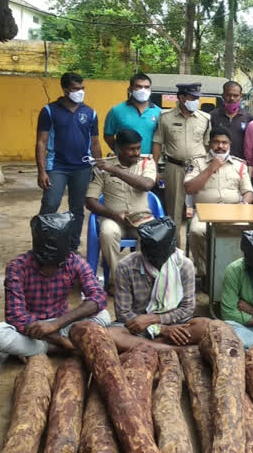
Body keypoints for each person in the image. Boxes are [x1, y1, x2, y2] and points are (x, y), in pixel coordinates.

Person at [0, 213, 110, 358]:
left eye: (56, 265)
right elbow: (15, 316)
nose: (49, 271)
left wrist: (56, 324)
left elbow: (98, 297)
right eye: (44, 265)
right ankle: (62, 347)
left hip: (62, 324)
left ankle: (39, 350)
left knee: (104, 316)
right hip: (31, 328)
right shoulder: (17, 267)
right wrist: (60, 340)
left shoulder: (75, 262)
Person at [108, 217, 209, 351]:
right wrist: (161, 329)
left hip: (176, 325)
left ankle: (149, 347)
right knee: (111, 334)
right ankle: (175, 349)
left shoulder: (185, 265)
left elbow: (187, 308)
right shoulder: (125, 266)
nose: (157, 261)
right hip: (138, 329)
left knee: (206, 326)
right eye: (153, 257)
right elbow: (123, 313)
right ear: (143, 250)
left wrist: (156, 320)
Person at [36, 72, 102, 251]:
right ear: (65, 90)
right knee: (50, 204)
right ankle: (44, 245)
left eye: (82, 88)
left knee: (77, 208)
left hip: (82, 167)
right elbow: (41, 142)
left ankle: (72, 247)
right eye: (75, 89)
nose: (80, 92)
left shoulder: (90, 113)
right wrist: (42, 171)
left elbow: (95, 142)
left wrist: (99, 166)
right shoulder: (49, 111)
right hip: (56, 166)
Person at [85, 129, 156, 293]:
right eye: (131, 149)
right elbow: (90, 201)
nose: (136, 153)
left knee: (150, 234)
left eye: (138, 148)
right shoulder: (102, 167)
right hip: (113, 218)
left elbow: (146, 185)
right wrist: (113, 215)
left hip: (141, 218)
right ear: (119, 149)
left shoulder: (146, 162)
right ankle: (118, 280)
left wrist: (115, 170)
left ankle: (139, 279)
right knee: (108, 232)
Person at [184, 127, 253, 275]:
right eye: (216, 142)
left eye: (224, 143)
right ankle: (205, 273)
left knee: (248, 231)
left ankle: (234, 272)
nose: (220, 146)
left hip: (232, 212)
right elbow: (189, 188)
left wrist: (244, 204)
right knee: (197, 231)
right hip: (204, 213)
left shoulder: (239, 165)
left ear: (230, 144)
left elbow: (248, 192)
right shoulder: (197, 163)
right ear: (209, 144)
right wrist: (211, 168)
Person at [152, 83, 211, 245]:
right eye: (192, 98)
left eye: (197, 98)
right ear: (181, 98)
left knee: (201, 210)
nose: (196, 101)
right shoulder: (165, 118)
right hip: (174, 168)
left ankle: (200, 252)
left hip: (198, 169)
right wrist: (154, 168)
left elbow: (207, 146)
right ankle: (175, 251)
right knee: (174, 212)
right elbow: (157, 143)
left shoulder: (205, 119)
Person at [104, 73, 161, 154]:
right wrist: (120, 152)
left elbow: (160, 141)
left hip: (147, 162)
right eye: (139, 86)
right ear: (130, 89)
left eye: (146, 87)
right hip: (124, 161)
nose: (143, 90)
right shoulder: (116, 111)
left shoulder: (159, 112)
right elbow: (108, 136)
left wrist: (154, 162)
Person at [210, 81, 253, 158]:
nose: (232, 98)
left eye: (235, 95)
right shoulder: (212, 116)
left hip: (240, 164)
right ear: (223, 95)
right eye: (228, 95)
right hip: (217, 162)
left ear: (240, 97)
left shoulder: (248, 117)